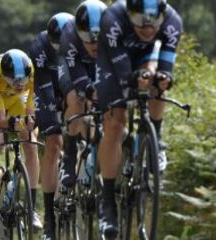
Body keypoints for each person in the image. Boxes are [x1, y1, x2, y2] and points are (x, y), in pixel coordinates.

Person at [95, 0, 182, 237]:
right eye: (140, 22)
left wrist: (164, 78)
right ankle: (107, 202)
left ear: (162, 17)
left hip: (145, 56)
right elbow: (122, 70)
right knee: (115, 122)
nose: (147, 27)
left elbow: (166, 64)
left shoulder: (173, 22)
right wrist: (132, 80)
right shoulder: (113, 18)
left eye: (153, 22)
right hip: (112, 62)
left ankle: (156, 136)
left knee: (158, 81)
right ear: (129, 14)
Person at [0, 49, 42, 229]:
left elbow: (30, 103)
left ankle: (32, 208)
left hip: (15, 99)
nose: (19, 83)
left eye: (23, 80)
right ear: (6, 75)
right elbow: (0, 123)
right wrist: (11, 123)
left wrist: (29, 123)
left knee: (31, 143)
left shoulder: (32, 72)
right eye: (15, 80)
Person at [29, 12, 73, 239]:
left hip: (72, 82)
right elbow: (43, 88)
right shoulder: (40, 46)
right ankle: (49, 217)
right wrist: (54, 106)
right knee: (54, 142)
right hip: (46, 87)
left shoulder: (83, 42)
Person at [57, 0, 107, 191]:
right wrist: (87, 89)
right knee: (77, 99)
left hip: (97, 63)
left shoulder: (113, 32)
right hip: (72, 65)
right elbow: (77, 76)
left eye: (97, 38)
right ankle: (69, 154)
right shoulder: (70, 36)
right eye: (88, 38)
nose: (93, 43)